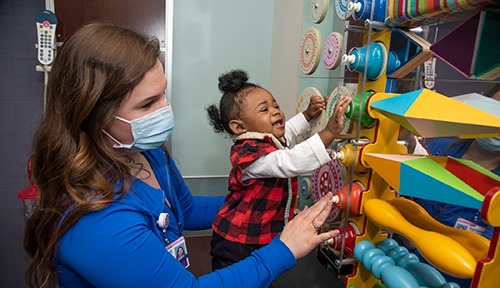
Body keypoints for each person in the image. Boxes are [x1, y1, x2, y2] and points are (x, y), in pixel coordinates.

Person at [23, 22, 341, 288]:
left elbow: (185, 211)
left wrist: (252, 199)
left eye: (163, 93)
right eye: (147, 104)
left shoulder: (147, 153)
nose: (166, 110)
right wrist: (285, 248)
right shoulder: (96, 221)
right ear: (93, 113)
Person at [206, 69, 351, 270]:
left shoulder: (267, 141)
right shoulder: (250, 156)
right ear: (240, 127)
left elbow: (287, 133)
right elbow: (289, 161)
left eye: (276, 105)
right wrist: (329, 132)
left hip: (257, 236)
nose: (275, 111)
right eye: (264, 110)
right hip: (235, 241)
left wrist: (307, 116)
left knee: (259, 277)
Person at [412, 86, 500, 287]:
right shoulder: (438, 148)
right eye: (494, 110)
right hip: (399, 265)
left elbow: (484, 255)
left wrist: (419, 234)